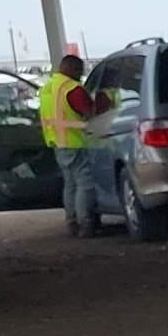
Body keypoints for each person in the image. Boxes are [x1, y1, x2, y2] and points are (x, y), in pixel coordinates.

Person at [38, 49, 113, 237]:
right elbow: (90, 112)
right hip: (76, 141)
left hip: (58, 142)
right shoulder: (72, 88)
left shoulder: (48, 87)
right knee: (85, 184)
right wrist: (105, 102)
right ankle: (86, 223)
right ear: (70, 68)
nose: (80, 75)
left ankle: (72, 223)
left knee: (70, 184)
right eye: (79, 70)